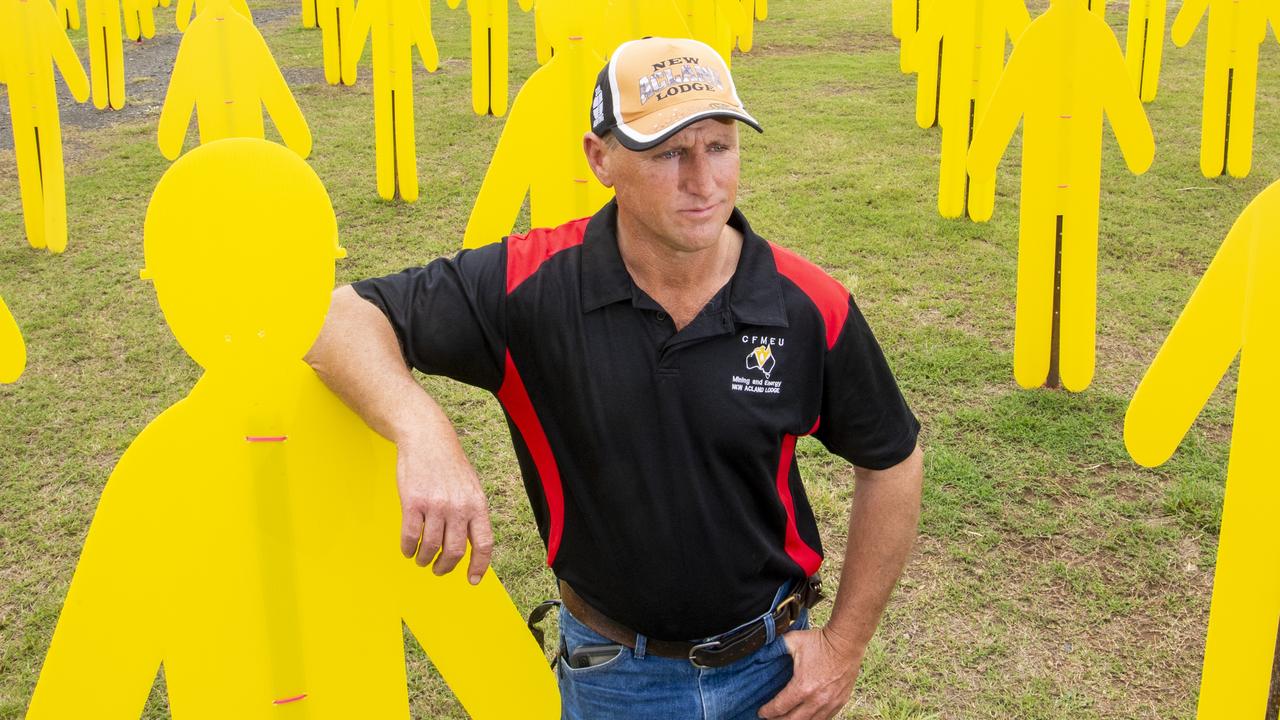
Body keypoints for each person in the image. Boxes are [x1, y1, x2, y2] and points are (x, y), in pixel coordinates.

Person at [305, 36, 924, 720]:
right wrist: (422, 429)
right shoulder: (530, 285)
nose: (703, 181)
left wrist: (844, 646)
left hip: (772, 669)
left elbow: (893, 460)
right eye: (668, 153)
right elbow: (338, 318)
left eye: (719, 145)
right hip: (615, 678)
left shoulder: (809, 305)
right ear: (600, 159)